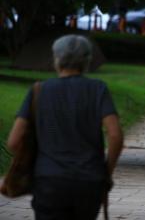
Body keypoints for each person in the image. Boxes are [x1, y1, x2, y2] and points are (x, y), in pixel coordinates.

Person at [6, 35, 123, 220]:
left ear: (57, 59)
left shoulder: (39, 90)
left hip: (49, 180)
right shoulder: (98, 89)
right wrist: (106, 172)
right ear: (87, 61)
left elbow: (13, 141)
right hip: (89, 180)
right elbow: (115, 135)